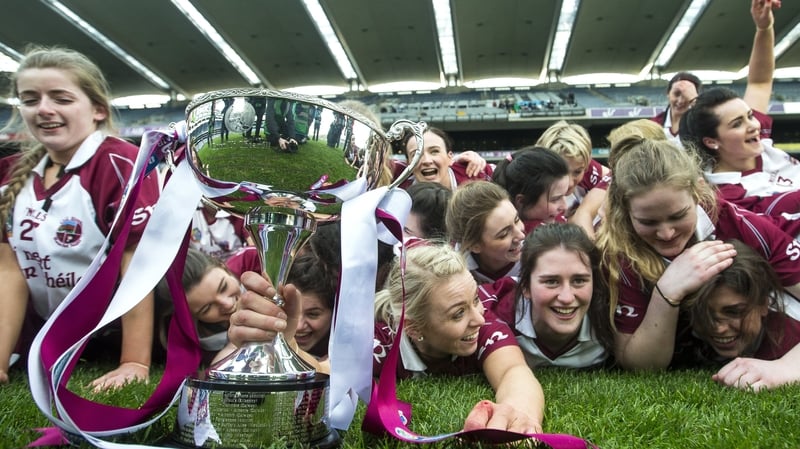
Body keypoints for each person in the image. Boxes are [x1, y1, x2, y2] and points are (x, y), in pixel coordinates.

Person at [0, 47, 160, 389]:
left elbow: (138, 262)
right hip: (45, 337)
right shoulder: (8, 175)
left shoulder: (122, 163)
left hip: (113, 332)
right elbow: (9, 270)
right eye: (30, 100)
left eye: (61, 98)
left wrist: (133, 362)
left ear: (98, 109)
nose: (44, 109)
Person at [595, 136, 800, 371]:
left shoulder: (741, 225)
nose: (666, 233)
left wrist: (785, 368)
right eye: (648, 221)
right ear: (626, 211)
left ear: (698, 192)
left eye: (678, 215)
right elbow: (640, 365)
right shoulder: (619, 251)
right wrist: (667, 292)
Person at [372, 244, 544, 432]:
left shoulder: (485, 325)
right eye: (458, 313)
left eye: (476, 299)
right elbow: (335, 370)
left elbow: (512, 371)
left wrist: (518, 416)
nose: (479, 319)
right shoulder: (380, 340)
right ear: (413, 328)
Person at [480, 223, 614, 368]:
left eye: (579, 280)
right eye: (551, 282)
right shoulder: (493, 311)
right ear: (525, 286)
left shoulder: (611, 317)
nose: (567, 298)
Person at [653, 0, 779, 144]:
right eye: (737, 124)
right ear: (712, 141)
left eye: (749, 116)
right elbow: (759, 83)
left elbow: (760, 83)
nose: (754, 126)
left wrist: (765, 28)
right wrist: (763, 29)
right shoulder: (651, 127)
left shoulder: (761, 149)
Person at [684, 239, 800, 391]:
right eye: (703, 313)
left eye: (734, 312)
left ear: (763, 304)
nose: (718, 328)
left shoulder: (788, 338)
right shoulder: (681, 334)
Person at [446, 181, 525, 284]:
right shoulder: (454, 274)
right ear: (474, 246)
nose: (521, 235)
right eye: (504, 234)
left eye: (517, 220)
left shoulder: (539, 254)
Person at [491, 146, 570, 234]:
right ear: (522, 201)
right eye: (555, 199)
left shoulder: (554, 219)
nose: (565, 206)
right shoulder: (538, 238)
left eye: (565, 195)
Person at [402, 127, 493, 190]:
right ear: (408, 163)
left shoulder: (478, 175)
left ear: (450, 157)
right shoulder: (399, 188)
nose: (427, 160)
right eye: (416, 155)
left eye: (434, 151)